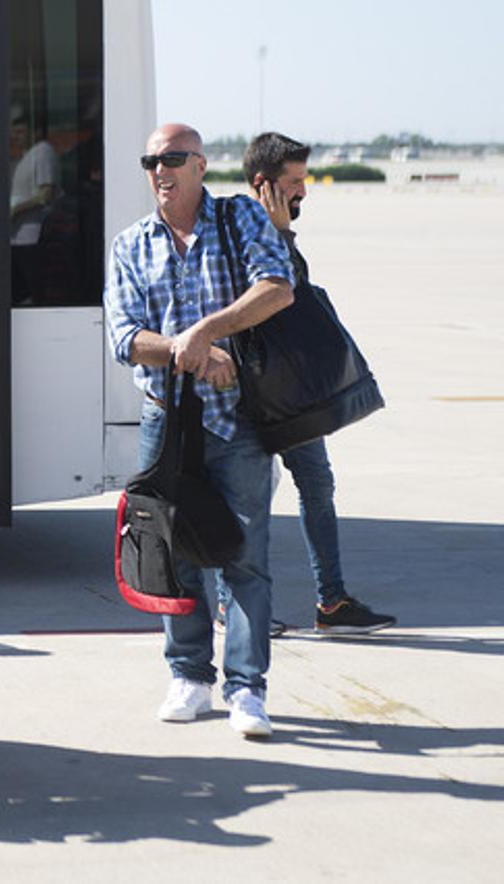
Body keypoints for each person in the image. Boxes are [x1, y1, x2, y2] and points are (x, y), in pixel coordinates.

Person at [104, 123, 295, 739]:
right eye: (151, 160)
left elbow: (277, 287)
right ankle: (189, 674)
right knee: (174, 550)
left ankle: (247, 689)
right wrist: (191, 353)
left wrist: (205, 331)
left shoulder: (238, 218)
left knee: (246, 553)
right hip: (167, 417)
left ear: (200, 166)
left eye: (173, 158)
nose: (160, 170)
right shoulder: (130, 243)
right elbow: (124, 337)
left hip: (238, 416)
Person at [223, 131, 396, 636]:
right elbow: (277, 294)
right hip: (251, 394)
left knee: (317, 486)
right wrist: (281, 235)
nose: (302, 191)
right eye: (295, 181)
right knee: (246, 500)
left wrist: (284, 234)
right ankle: (230, 606)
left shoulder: (273, 227)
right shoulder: (237, 226)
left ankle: (333, 602)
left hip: (290, 393)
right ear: (265, 183)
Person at [9, 105, 59, 305]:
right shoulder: (25, 156)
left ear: (34, 132)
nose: (17, 136)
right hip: (16, 238)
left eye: (21, 132)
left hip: (32, 236)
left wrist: (15, 210)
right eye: (15, 132)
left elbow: (46, 194)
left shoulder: (43, 151)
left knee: (34, 294)